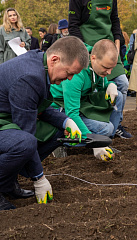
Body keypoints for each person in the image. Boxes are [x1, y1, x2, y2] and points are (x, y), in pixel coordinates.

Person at [0, 36, 89, 210]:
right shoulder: (30, 77)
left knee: (56, 131)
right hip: (3, 120)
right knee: (25, 143)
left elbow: (37, 105)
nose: (70, 79)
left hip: (5, 118)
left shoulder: (40, 63)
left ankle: (8, 183)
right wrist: (39, 178)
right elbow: (26, 131)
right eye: (69, 73)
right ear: (54, 60)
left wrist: (66, 122)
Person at [69, 0, 132, 139]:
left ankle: (115, 125)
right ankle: (90, 123)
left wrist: (117, 42)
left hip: (108, 46)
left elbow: (115, 19)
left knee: (122, 84)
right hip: (87, 45)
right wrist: (84, 51)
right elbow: (72, 25)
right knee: (88, 88)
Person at [51, 39, 122, 161]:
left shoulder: (97, 67)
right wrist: (94, 142)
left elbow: (102, 86)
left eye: (112, 68)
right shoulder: (76, 74)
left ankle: (106, 141)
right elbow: (72, 113)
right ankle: (61, 142)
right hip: (60, 107)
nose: (109, 72)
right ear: (93, 58)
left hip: (82, 101)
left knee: (118, 96)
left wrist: (111, 85)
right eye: (106, 67)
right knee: (106, 128)